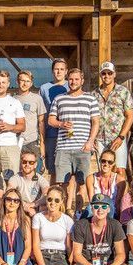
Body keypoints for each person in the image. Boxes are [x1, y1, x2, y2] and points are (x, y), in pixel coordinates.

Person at [48, 67, 100, 210]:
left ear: (82, 81)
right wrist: (61, 124)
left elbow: (96, 122)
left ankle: (79, 212)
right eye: (71, 79)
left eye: (77, 79)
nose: (73, 82)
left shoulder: (90, 99)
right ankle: (65, 212)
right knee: (62, 183)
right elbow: (51, 120)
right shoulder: (59, 98)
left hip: (83, 147)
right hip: (63, 147)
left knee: (81, 183)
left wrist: (90, 142)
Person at [92, 61, 133, 177]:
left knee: (119, 171)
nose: (107, 76)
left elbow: (129, 116)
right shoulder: (93, 94)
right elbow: (91, 118)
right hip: (99, 139)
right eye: (104, 73)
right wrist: (92, 137)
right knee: (103, 171)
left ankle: (120, 190)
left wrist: (121, 137)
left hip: (117, 137)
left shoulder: (123, 92)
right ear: (100, 75)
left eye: (109, 73)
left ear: (114, 74)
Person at [39, 58, 69, 182]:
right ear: (52, 71)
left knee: (68, 170)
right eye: (56, 69)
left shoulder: (71, 85)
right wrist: (42, 139)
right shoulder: (44, 88)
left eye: (62, 69)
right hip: (50, 133)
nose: (59, 72)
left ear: (66, 71)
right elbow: (42, 114)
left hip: (68, 133)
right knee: (52, 170)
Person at [14, 70, 46, 175]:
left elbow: (41, 122)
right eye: (22, 80)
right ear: (17, 82)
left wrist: (42, 144)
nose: (25, 83)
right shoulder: (12, 99)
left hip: (32, 141)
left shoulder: (37, 99)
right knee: (17, 173)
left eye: (27, 81)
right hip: (16, 141)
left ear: (31, 83)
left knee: (36, 173)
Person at [84, 149, 127, 220]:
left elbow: (118, 202)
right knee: (89, 208)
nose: (106, 164)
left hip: (112, 208)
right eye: (103, 161)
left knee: (111, 208)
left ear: (113, 164)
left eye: (110, 162)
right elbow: (92, 201)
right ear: (99, 161)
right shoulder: (91, 178)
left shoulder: (120, 180)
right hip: (96, 207)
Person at [7, 150, 49, 217]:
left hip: (36, 207)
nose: (27, 165)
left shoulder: (41, 179)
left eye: (31, 162)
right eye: (24, 162)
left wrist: (33, 204)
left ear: (35, 165)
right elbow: (9, 194)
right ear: (21, 163)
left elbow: (47, 195)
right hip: (19, 207)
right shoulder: (14, 178)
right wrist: (26, 207)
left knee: (45, 207)